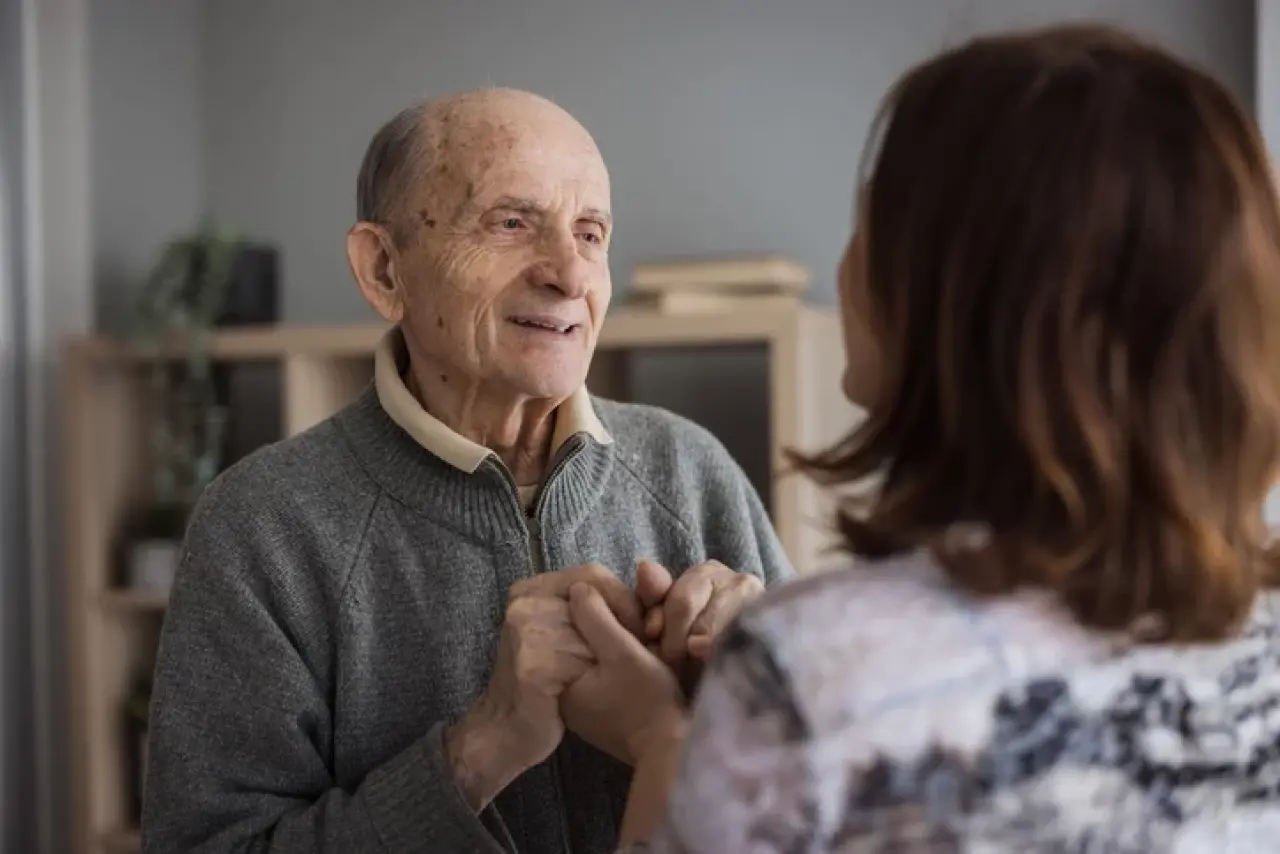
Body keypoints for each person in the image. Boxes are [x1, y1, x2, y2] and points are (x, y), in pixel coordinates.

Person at [563, 23, 1280, 852]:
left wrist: (664, 741)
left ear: (961, 300)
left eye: (869, 224)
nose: (844, 263)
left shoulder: (810, 673)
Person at [141, 88, 792, 854]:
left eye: (591, 233)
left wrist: (771, 691)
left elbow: (849, 798)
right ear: (383, 269)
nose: (567, 273)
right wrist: (482, 748)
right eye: (512, 223)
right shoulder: (260, 525)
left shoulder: (693, 470)